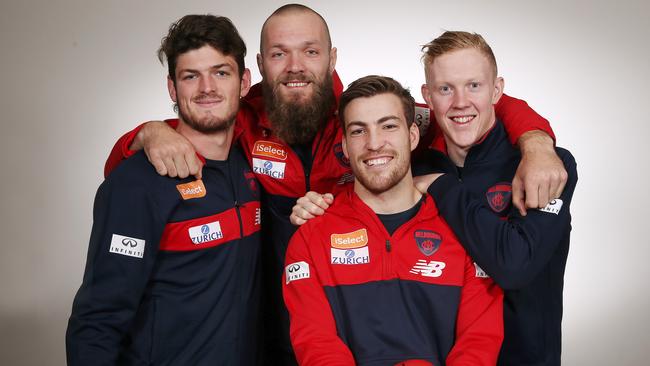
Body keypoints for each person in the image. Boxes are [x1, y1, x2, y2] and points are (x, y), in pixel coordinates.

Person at [103, 4, 566, 364]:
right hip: (265, 332)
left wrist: (537, 142)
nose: (295, 66)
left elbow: (466, 103)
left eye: (310, 50)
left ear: (332, 57)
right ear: (259, 66)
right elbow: (180, 132)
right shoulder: (238, 116)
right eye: (280, 53)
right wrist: (147, 133)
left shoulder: (366, 115)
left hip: (358, 326)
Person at [66, 15, 262, 365]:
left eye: (221, 72)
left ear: (244, 82)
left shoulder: (252, 167)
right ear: (173, 88)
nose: (207, 88)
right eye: (191, 76)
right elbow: (98, 319)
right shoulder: (137, 183)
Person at [283, 75, 504, 366]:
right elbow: (316, 344)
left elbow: (478, 342)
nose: (374, 144)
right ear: (346, 147)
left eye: (388, 126)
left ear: (413, 136)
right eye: (359, 131)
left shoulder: (462, 227)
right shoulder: (311, 238)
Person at [416, 31, 577, 366]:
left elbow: (515, 266)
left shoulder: (546, 166)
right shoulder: (415, 164)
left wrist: (442, 187)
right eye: (446, 88)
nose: (460, 102)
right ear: (427, 96)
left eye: (474, 85)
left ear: (497, 90)